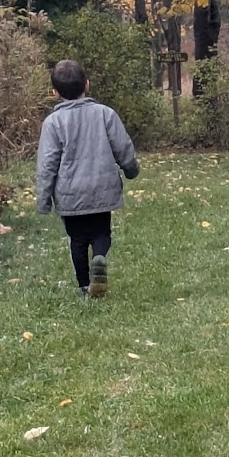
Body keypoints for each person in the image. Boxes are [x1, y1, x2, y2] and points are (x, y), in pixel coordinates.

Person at [36, 58, 140, 297]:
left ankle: (84, 286)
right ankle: (100, 257)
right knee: (102, 233)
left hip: (70, 194)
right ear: (87, 84)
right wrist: (131, 169)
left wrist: (44, 199)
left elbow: (47, 164)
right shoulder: (105, 114)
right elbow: (123, 147)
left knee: (78, 240)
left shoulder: (53, 123)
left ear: (54, 92)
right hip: (102, 188)